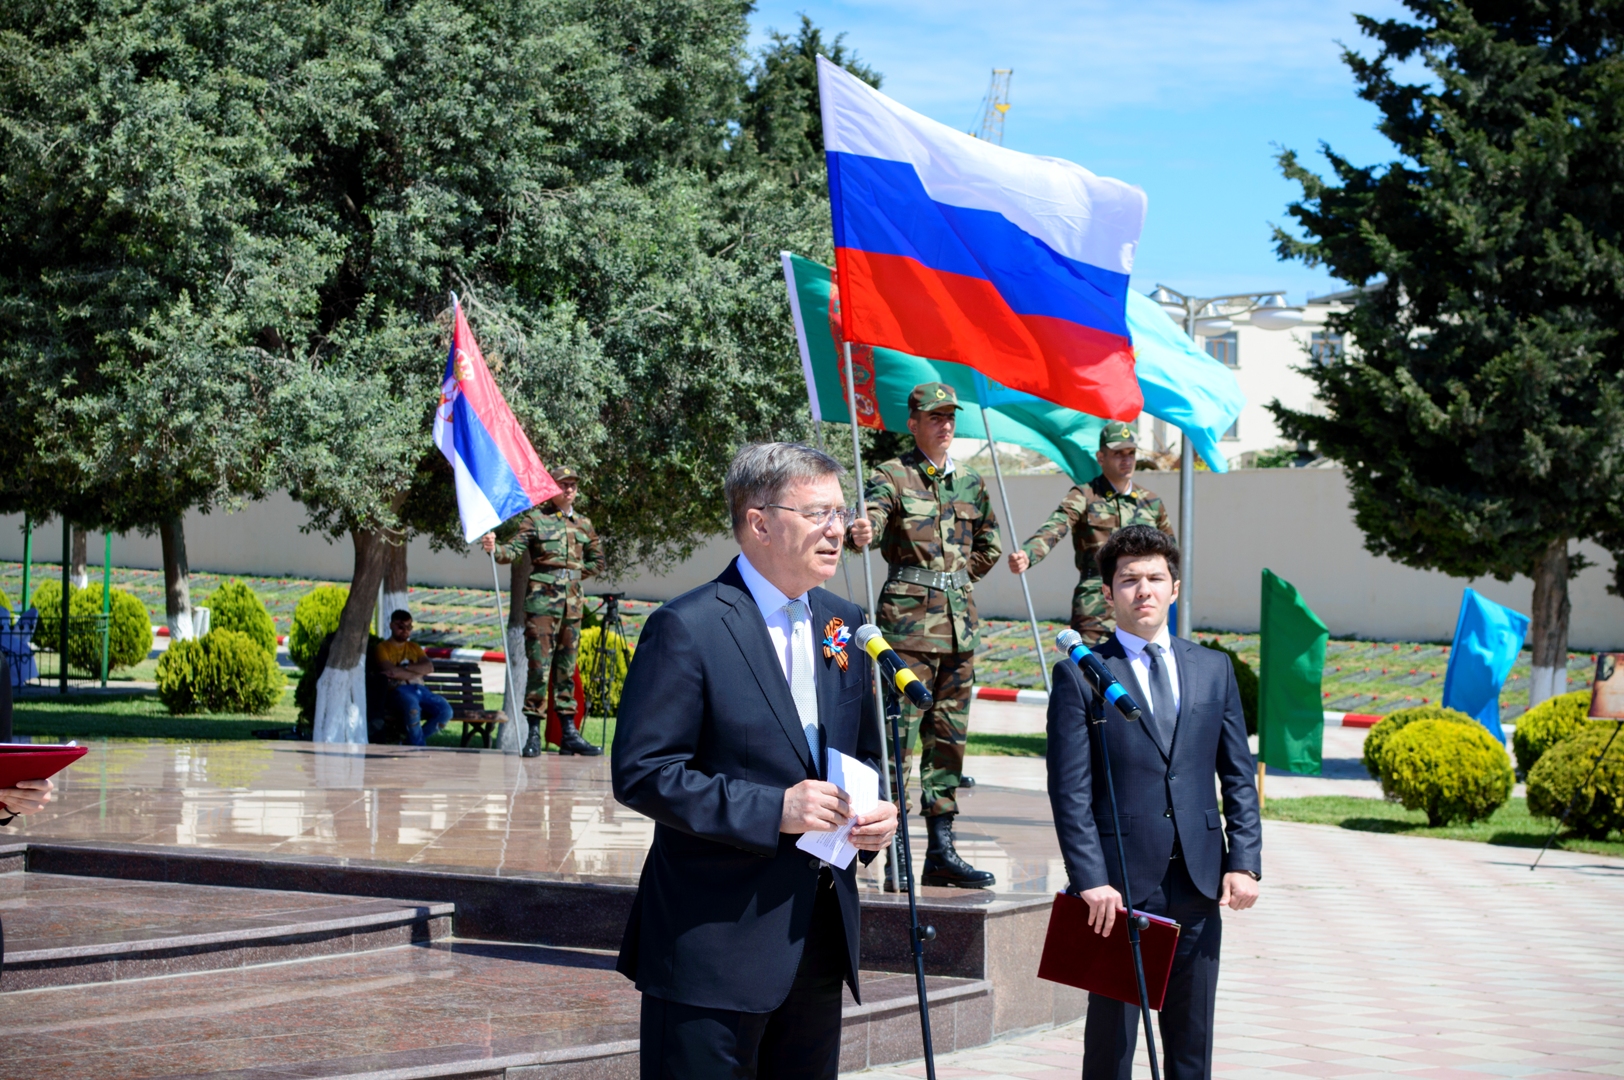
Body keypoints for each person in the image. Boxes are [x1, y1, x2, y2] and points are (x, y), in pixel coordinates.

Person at [613, 442, 899, 1080]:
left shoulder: (846, 623)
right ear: (759, 523)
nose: (837, 529)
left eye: (840, 511)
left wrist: (878, 813)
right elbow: (644, 773)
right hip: (713, 944)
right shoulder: (688, 626)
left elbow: (864, 752)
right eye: (817, 513)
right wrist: (775, 809)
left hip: (817, 939)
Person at [1046, 525, 1260, 1080]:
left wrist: (1244, 861)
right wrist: (1090, 878)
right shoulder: (1081, 675)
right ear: (1108, 592)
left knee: (1192, 1044)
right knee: (1112, 1047)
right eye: (1129, 580)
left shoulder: (1214, 668)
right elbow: (1069, 791)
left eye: (1155, 578)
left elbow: (1238, 776)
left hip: (1199, 880)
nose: (1144, 590)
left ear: (1175, 588)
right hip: (1117, 890)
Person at [847, 381, 1000, 889]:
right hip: (908, 630)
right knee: (899, 741)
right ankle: (892, 849)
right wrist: (863, 530)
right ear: (913, 423)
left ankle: (941, 849)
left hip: (959, 631)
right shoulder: (892, 474)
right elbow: (871, 517)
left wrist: (954, 580)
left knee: (948, 742)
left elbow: (991, 544)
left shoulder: (971, 482)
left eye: (950, 416)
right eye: (935, 416)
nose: (945, 424)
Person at [1008, 421, 1173, 645]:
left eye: (1131, 453)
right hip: (1096, 608)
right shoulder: (1084, 495)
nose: (1126, 460)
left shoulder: (1151, 501)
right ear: (1101, 457)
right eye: (1118, 453)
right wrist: (1028, 554)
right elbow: (1057, 525)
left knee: (1142, 665)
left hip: (1141, 605)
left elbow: (1170, 553)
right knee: (1091, 666)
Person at [482, 465, 604, 758]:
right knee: (539, 669)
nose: (569, 489)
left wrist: (572, 574)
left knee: (566, 670)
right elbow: (511, 552)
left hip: (572, 606)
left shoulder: (584, 524)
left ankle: (568, 733)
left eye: (573, 484)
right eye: (563, 484)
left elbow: (598, 561)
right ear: (552, 489)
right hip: (541, 606)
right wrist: (494, 548)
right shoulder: (535, 520)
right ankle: (534, 733)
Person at [374, 610, 452, 746]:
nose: (405, 630)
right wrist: (417, 673)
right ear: (391, 625)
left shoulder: (414, 647)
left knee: (446, 711)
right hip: (398, 691)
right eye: (401, 626)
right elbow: (391, 671)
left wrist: (403, 669)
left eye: (409, 627)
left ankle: (409, 743)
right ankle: (418, 748)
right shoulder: (382, 648)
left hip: (420, 690)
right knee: (413, 709)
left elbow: (429, 667)